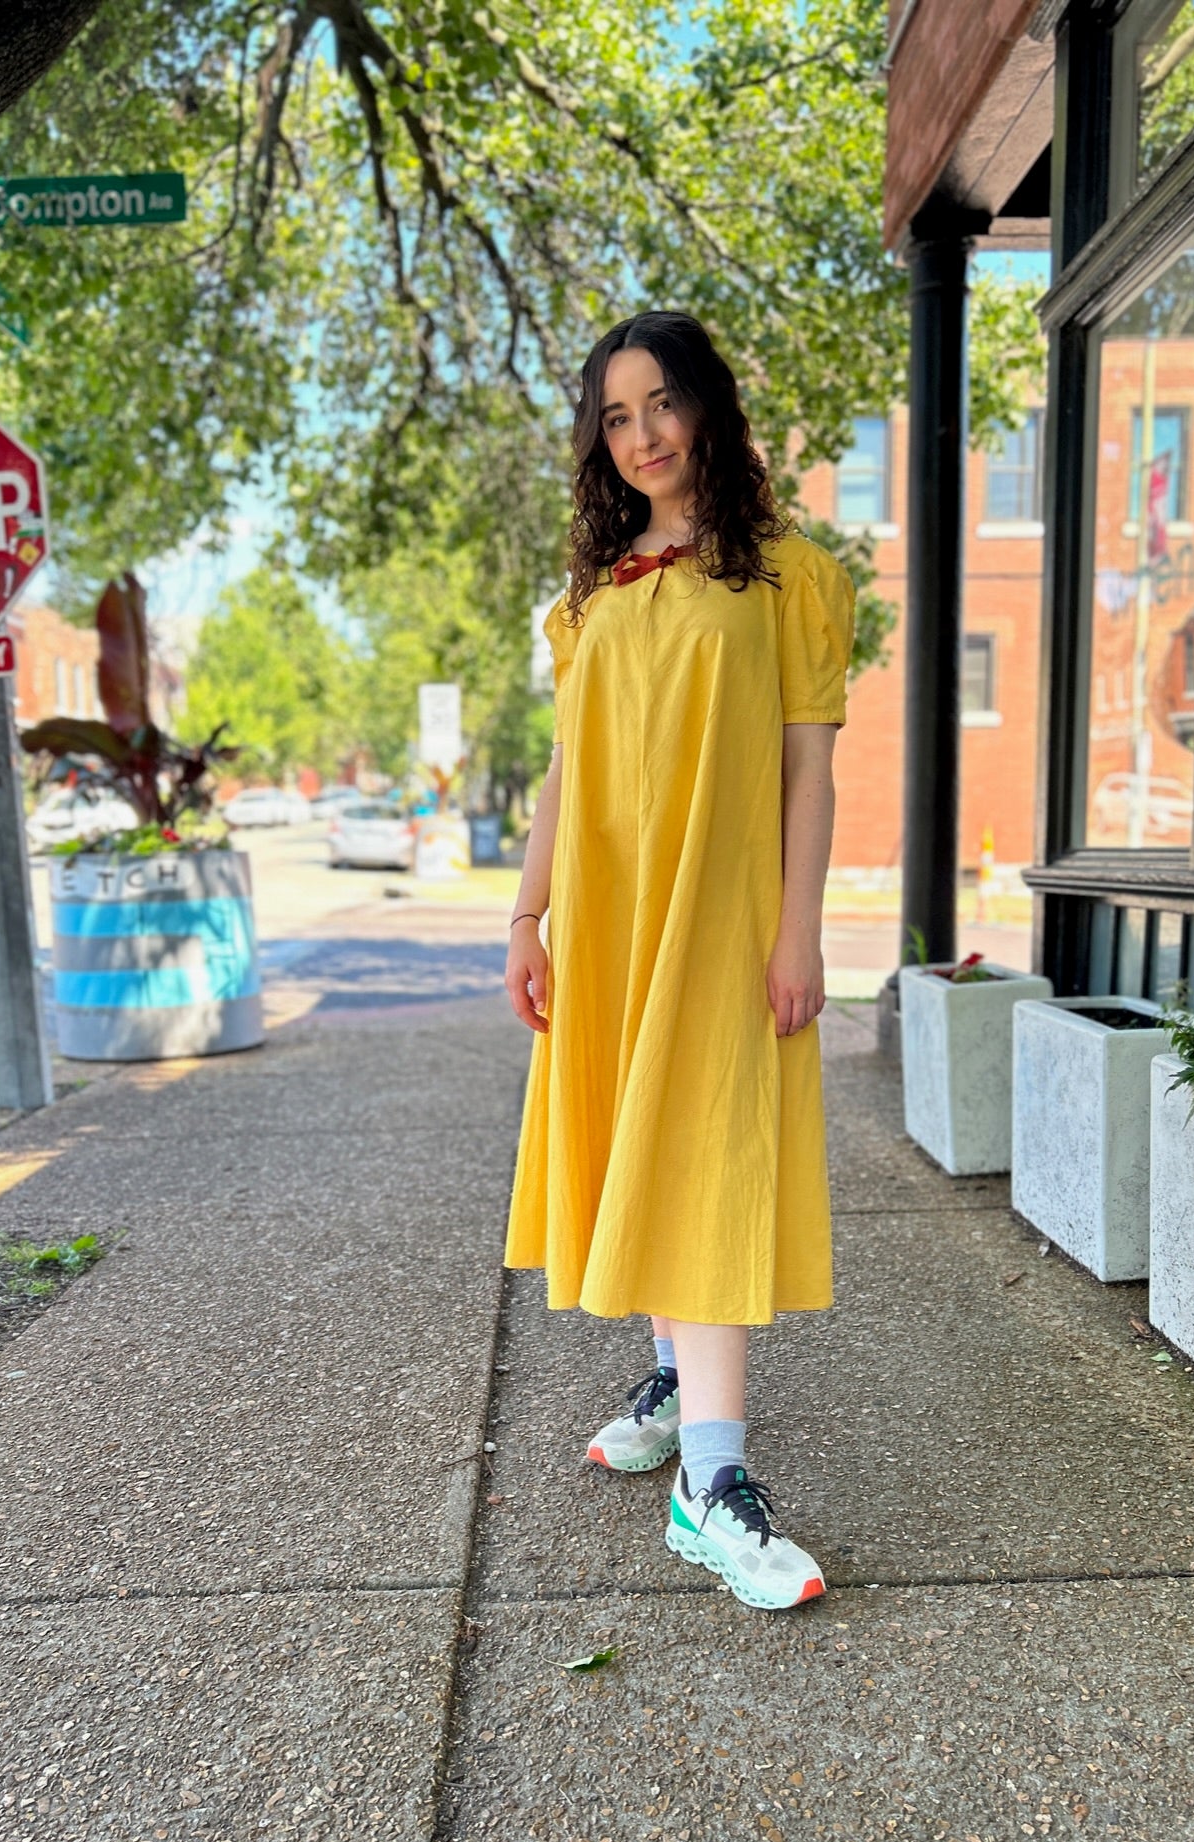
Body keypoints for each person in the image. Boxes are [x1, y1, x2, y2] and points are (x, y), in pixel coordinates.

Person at [502, 309, 854, 1611]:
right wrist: (525, 915)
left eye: (661, 403)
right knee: (640, 1146)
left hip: (720, 915)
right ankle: (671, 1382)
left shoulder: (793, 580)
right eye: (615, 414)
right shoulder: (590, 593)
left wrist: (799, 928)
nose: (642, 434)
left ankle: (712, 1485)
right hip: (607, 918)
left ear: (707, 406)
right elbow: (562, 771)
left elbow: (810, 767)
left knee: (704, 1155)